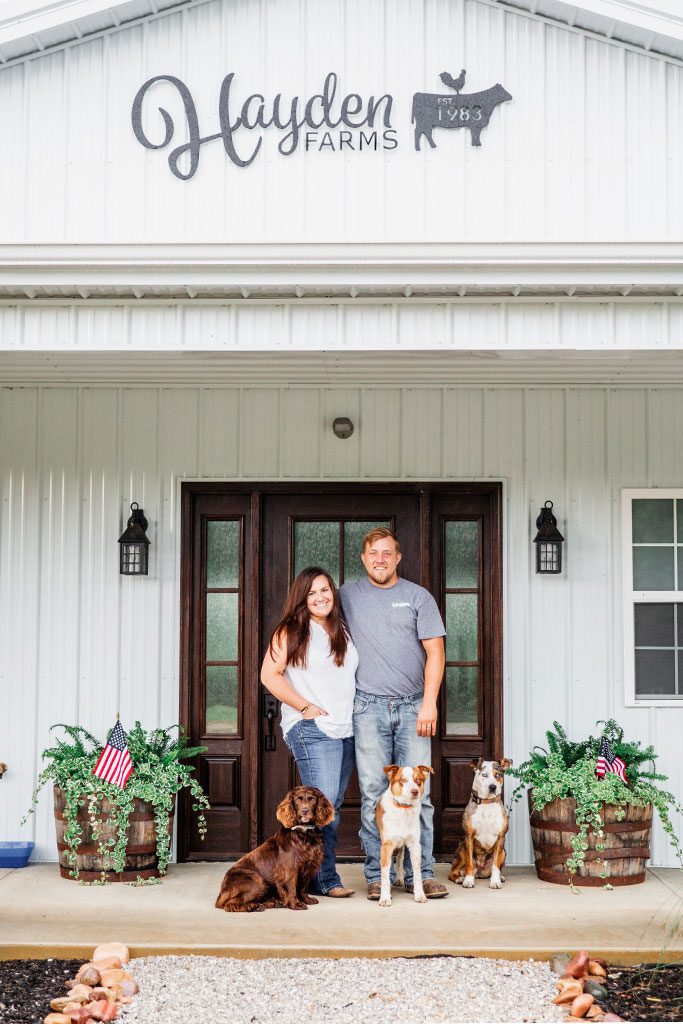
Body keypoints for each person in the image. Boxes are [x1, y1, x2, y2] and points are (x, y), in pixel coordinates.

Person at [340, 527, 448, 900]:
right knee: (373, 792)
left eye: (387, 553)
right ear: (363, 557)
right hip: (367, 706)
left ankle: (425, 873)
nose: (380, 559)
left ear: (398, 557)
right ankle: (377, 875)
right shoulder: (346, 596)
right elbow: (315, 625)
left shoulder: (418, 597)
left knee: (422, 793)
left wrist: (429, 703)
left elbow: (435, 652)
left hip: (413, 705)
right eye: (373, 553)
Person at [261, 565, 357, 898]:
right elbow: (269, 676)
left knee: (331, 807)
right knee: (317, 807)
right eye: (312, 592)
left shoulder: (342, 628)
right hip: (312, 728)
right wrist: (304, 707)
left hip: (345, 728)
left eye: (325, 590)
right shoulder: (290, 630)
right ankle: (324, 879)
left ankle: (307, 874)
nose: (320, 597)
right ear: (302, 597)